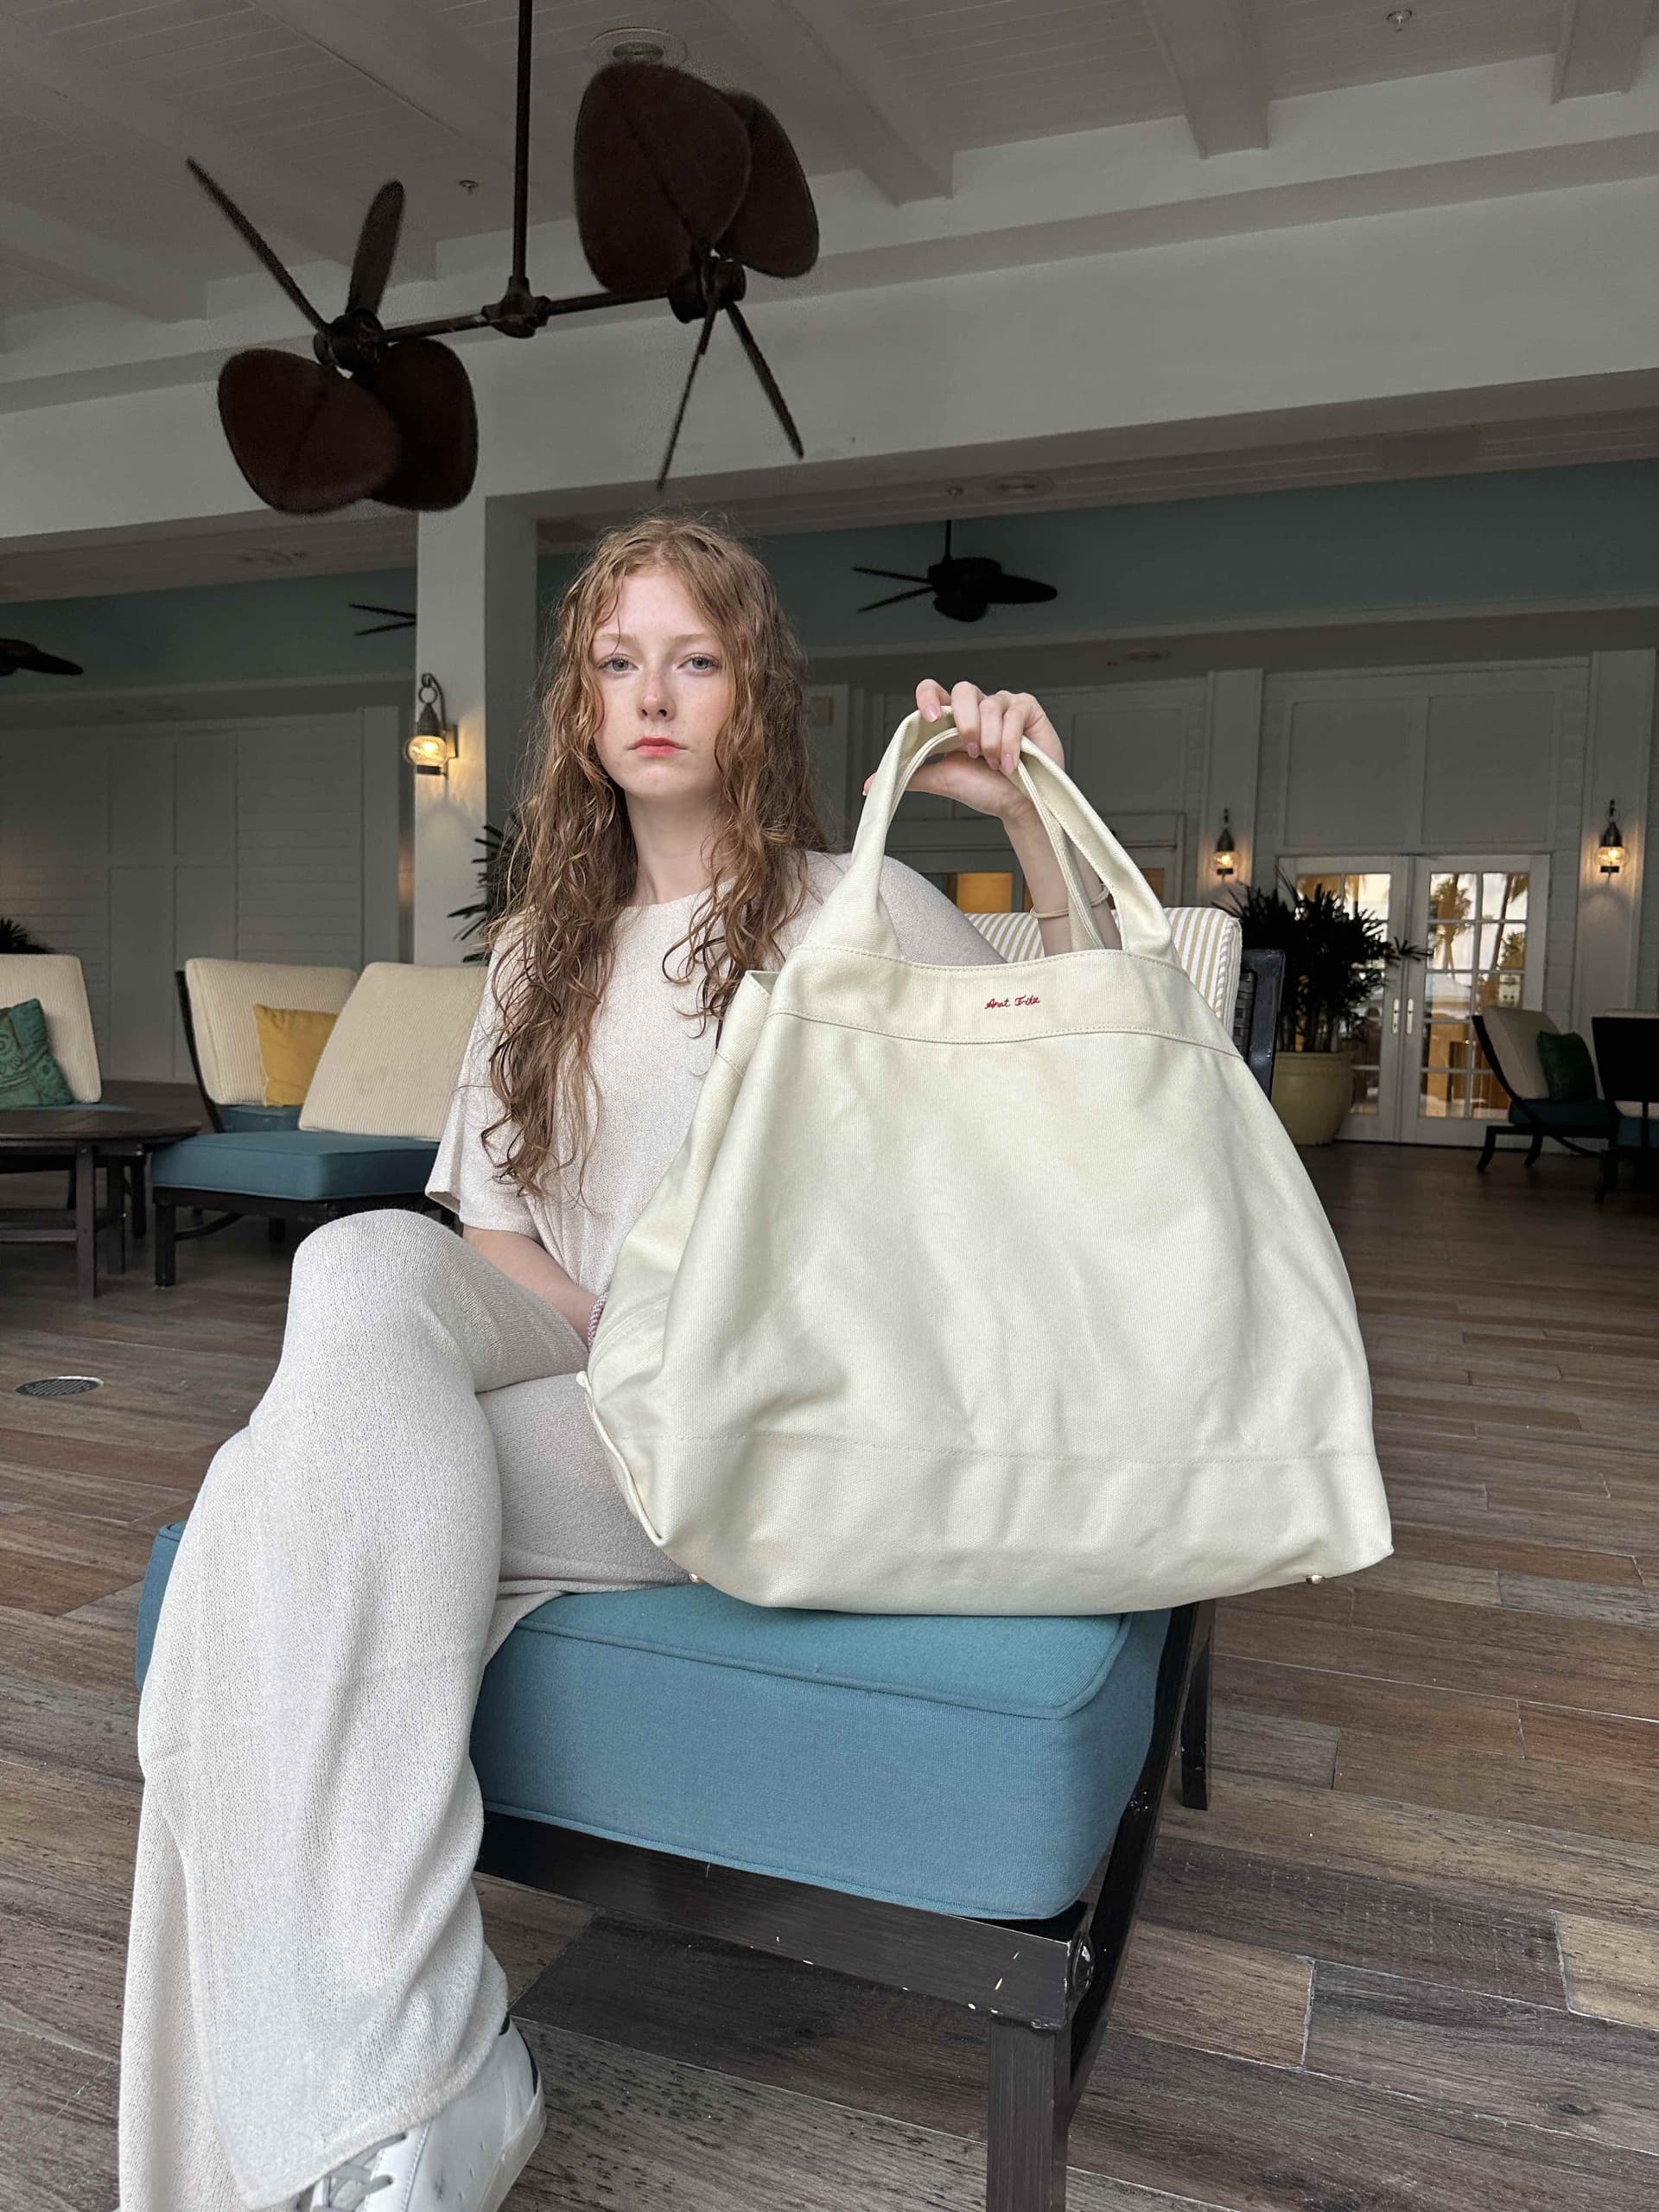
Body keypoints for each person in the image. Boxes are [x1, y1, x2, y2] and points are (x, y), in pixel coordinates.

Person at [115, 511, 1118, 2212]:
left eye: (696, 657)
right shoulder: (534, 950)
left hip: (760, 1413)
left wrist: (1027, 817)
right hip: (571, 1345)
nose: (653, 691)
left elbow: (1092, 1085)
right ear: (586, 703)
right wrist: (591, 1347)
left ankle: (396, 2081)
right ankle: (419, 2083)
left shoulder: (858, 906)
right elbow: (494, 1229)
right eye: (617, 657)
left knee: (270, 1506)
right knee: (362, 1256)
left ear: (753, 693)